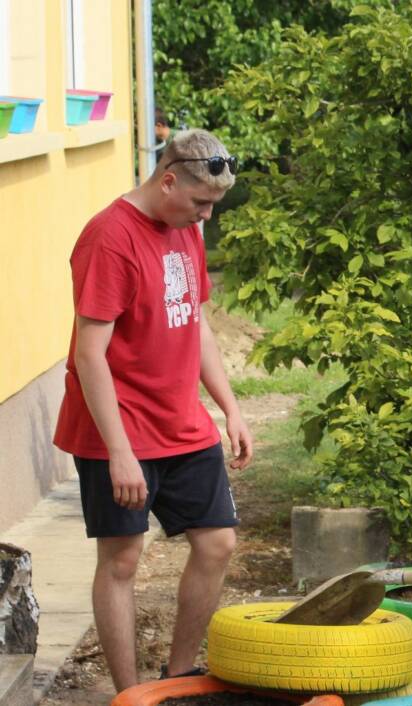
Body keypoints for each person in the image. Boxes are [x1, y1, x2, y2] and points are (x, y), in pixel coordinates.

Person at [53, 128, 251, 692]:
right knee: (121, 560)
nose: (206, 217)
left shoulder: (184, 226)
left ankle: (178, 675)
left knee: (218, 543)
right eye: (200, 203)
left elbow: (199, 324)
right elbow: (89, 354)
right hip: (116, 427)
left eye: (213, 205)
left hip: (180, 421)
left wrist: (229, 408)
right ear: (168, 180)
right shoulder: (109, 238)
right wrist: (120, 455)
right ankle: (132, 693)